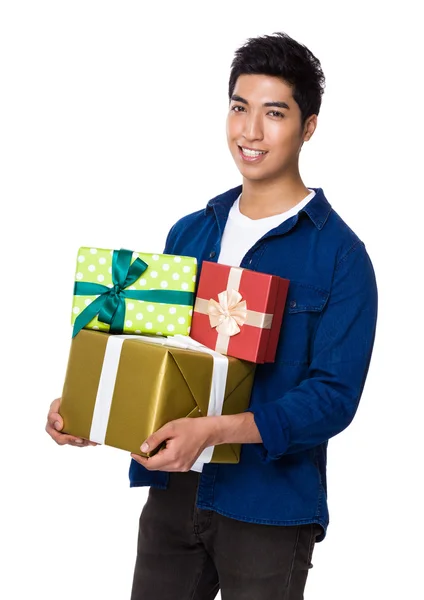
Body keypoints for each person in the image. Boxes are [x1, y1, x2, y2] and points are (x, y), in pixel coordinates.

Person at [46, 31, 378, 599]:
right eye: (239, 108)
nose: (250, 132)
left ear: (309, 126)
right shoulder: (191, 232)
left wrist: (217, 431)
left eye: (274, 113)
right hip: (173, 495)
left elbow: (332, 399)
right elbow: (156, 355)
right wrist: (92, 407)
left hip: (268, 507)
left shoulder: (342, 257)